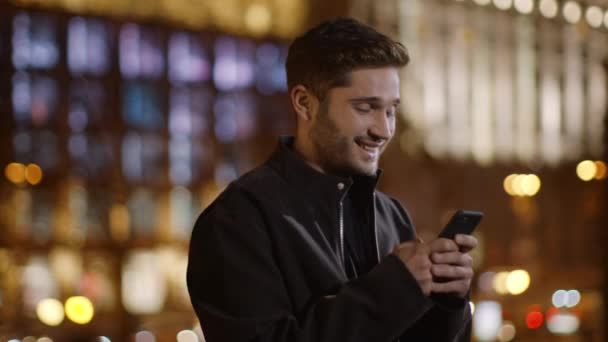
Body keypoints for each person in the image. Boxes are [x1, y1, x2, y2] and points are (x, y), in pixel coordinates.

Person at [187, 17, 477, 342]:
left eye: (391, 111)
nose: (383, 130)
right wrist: (393, 290)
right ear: (304, 103)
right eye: (366, 108)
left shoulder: (390, 216)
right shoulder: (238, 221)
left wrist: (447, 302)